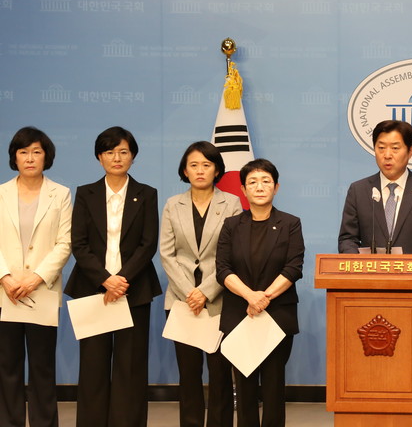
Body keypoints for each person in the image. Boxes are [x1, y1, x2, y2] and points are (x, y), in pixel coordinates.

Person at [64, 126, 161, 427]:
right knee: (93, 365)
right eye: (109, 152)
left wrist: (121, 280)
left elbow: (148, 244)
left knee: (130, 367)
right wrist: (105, 279)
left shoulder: (147, 194)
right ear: (99, 157)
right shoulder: (85, 193)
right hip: (93, 289)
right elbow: (79, 244)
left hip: (134, 289)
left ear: (133, 156)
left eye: (123, 152)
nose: (116, 158)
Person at [216, 159, 304, 427]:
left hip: (277, 313)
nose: (260, 187)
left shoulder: (290, 223)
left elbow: (293, 268)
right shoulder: (231, 225)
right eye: (252, 182)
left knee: (274, 386)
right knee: (244, 385)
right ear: (243, 190)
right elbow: (222, 269)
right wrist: (250, 297)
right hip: (240, 313)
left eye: (266, 181)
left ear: (276, 187)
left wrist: (263, 298)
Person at [160, 142, 242, 427]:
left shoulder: (231, 203)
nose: (200, 170)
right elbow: (167, 254)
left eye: (206, 165)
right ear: (185, 170)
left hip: (219, 300)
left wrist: (205, 292)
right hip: (181, 301)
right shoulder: (173, 204)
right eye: (193, 165)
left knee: (220, 373)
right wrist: (189, 293)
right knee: (189, 373)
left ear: (217, 170)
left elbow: (231, 254)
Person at [0, 127, 71, 427]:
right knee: (7, 367)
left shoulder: (61, 194)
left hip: (42, 291)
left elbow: (64, 243)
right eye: (23, 152)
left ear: (46, 156)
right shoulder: (1, 193)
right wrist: (5, 277)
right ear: (14, 157)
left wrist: (36, 277)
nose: (30, 158)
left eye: (36, 152)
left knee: (42, 367)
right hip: (5, 293)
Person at [338, 119, 412, 255]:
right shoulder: (358, 190)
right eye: (381, 148)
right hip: (370, 269)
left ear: (410, 151)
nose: (387, 155)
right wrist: (358, 263)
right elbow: (347, 239)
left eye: (395, 148)